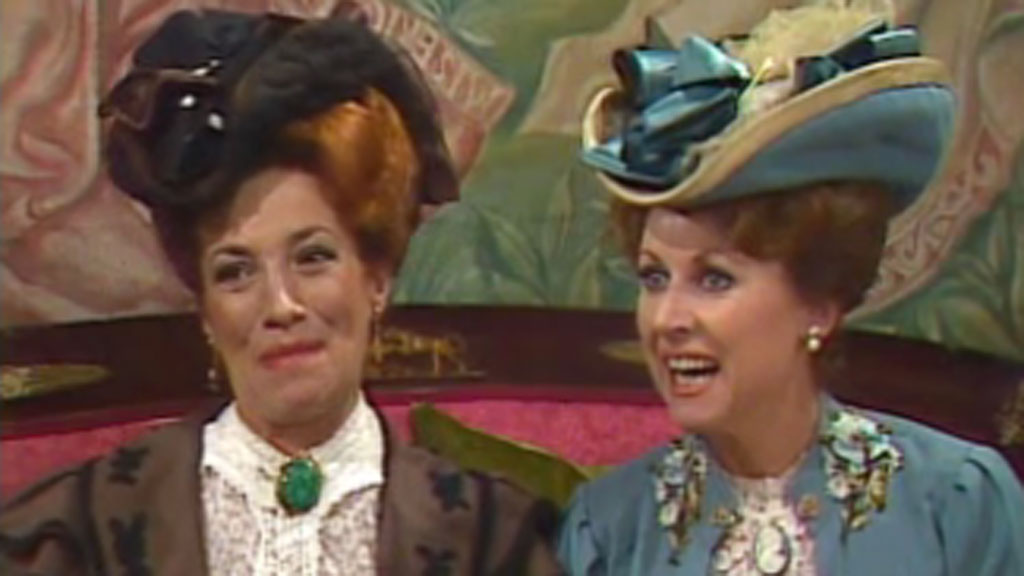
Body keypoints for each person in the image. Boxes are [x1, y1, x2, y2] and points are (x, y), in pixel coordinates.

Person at [0, 10, 561, 575]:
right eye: (235, 272)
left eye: (313, 258)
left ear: (376, 276)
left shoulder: (488, 540)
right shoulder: (84, 530)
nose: (281, 305)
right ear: (206, 309)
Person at [557, 1, 1024, 575]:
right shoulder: (608, 530)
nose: (667, 319)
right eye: (655, 278)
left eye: (714, 279)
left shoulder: (953, 505)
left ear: (819, 304)